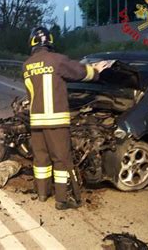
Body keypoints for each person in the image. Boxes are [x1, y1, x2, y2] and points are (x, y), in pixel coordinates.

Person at [23, 27, 109, 210]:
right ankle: (63, 199)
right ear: (50, 41)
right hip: (56, 121)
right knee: (61, 159)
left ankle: (42, 193)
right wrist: (96, 70)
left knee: (41, 159)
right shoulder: (57, 60)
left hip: (36, 121)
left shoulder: (27, 65)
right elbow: (78, 72)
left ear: (32, 43)